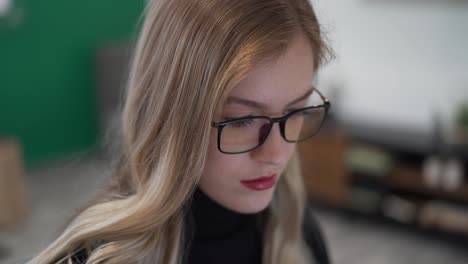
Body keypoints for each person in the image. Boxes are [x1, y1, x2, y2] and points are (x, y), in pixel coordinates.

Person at [29, 0, 332, 263]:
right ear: (173, 117)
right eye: (240, 120)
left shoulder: (298, 234)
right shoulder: (96, 257)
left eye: (295, 111)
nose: (277, 154)